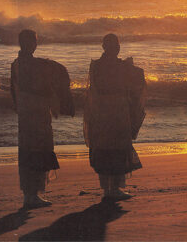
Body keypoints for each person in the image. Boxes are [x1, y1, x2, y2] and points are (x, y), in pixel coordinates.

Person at [10, 29, 74, 209]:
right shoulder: (34, 65)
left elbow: (13, 91)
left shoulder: (17, 63)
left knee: (28, 151)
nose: (35, 45)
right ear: (27, 43)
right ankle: (32, 195)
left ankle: (30, 194)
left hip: (25, 114)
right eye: (33, 41)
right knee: (38, 150)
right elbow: (56, 74)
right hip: (36, 113)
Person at [84, 33, 146, 201]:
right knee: (117, 146)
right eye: (115, 45)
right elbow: (138, 79)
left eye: (116, 45)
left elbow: (93, 91)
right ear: (109, 47)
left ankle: (108, 189)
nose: (117, 48)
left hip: (102, 111)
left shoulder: (96, 66)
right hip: (117, 110)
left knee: (105, 146)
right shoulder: (121, 66)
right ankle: (115, 188)